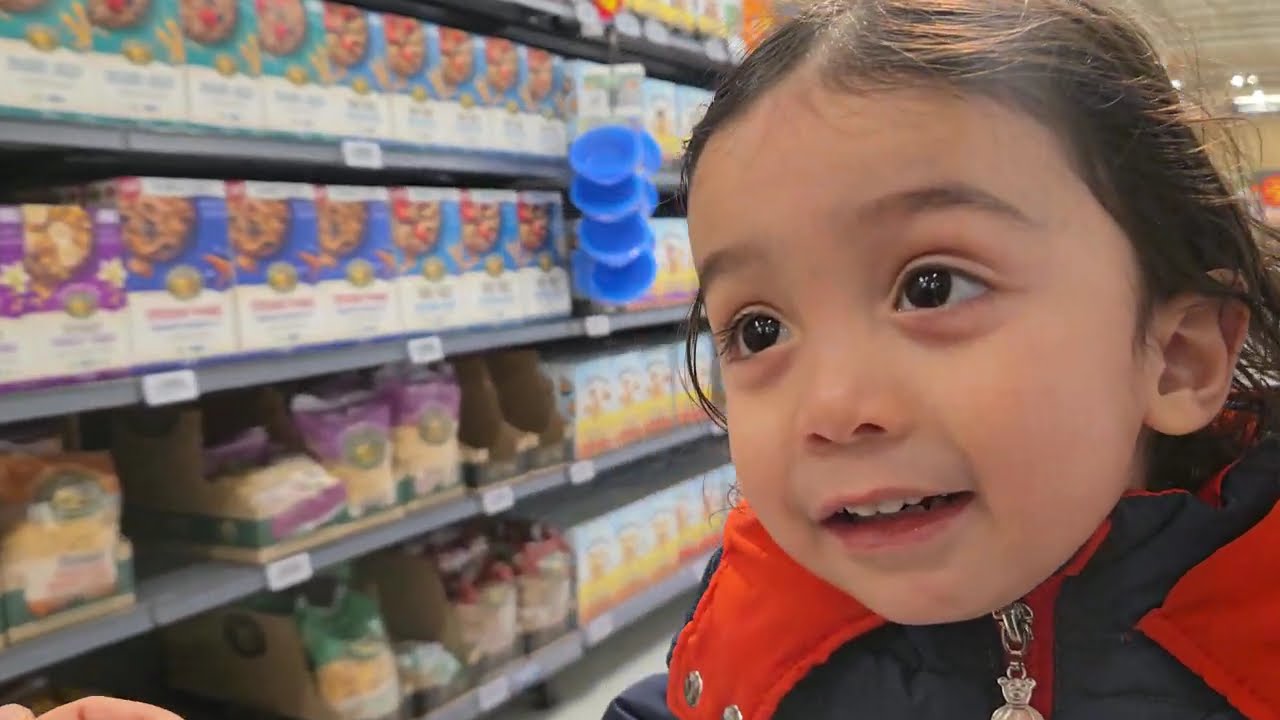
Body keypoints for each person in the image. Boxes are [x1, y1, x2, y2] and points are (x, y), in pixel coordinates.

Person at [605, 1, 1280, 719]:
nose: (831, 410)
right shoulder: (755, 656)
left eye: (933, 288)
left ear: (1178, 358)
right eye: (760, 330)